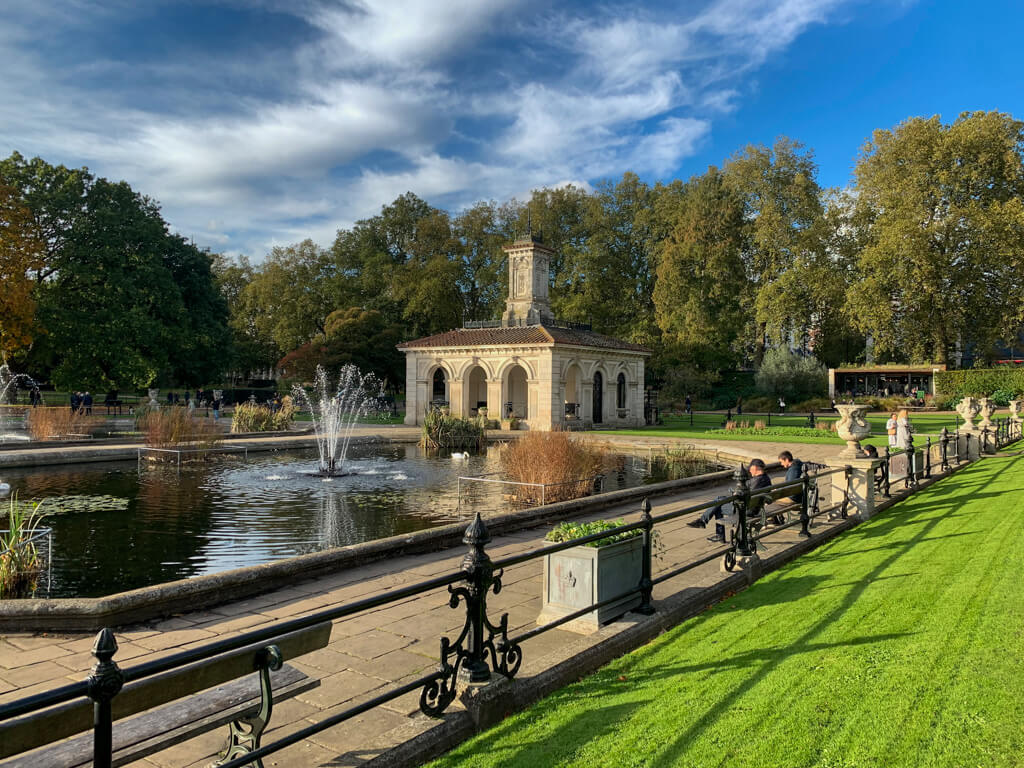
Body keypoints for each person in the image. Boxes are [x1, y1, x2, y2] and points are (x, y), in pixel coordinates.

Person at [687, 459, 772, 542]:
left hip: (745, 510)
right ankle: (703, 522)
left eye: (750, 468)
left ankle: (712, 529)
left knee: (718, 505)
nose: (749, 470)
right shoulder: (766, 478)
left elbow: (745, 496)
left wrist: (735, 494)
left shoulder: (755, 481)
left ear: (755, 467)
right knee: (720, 499)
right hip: (754, 507)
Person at [775, 451, 805, 525]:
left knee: (769, 500)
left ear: (787, 460)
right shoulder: (798, 465)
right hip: (800, 495)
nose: (781, 464)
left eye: (782, 462)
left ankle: (774, 521)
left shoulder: (793, 470)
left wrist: (778, 491)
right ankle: (779, 518)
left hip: (793, 498)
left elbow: (790, 486)